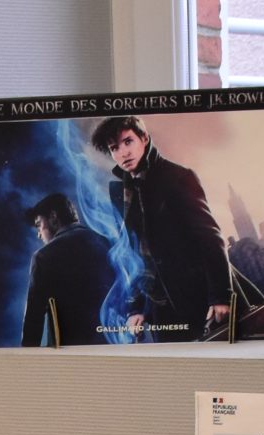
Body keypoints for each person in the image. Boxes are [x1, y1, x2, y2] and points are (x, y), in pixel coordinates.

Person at [90, 114, 236, 342]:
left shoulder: (178, 177)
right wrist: (135, 308)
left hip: (197, 294)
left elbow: (210, 236)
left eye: (128, 141)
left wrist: (220, 297)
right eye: (114, 148)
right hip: (158, 305)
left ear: (144, 139)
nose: (123, 153)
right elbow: (132, 253)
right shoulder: (121, 192)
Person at [19, 192, 119, 347]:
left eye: (39, 224)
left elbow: (34, 319)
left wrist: (27, 355)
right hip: (112, 343)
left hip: (69, 348)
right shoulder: (107, 243)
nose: (39, 234)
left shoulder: (44, 256)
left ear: (53, 217)